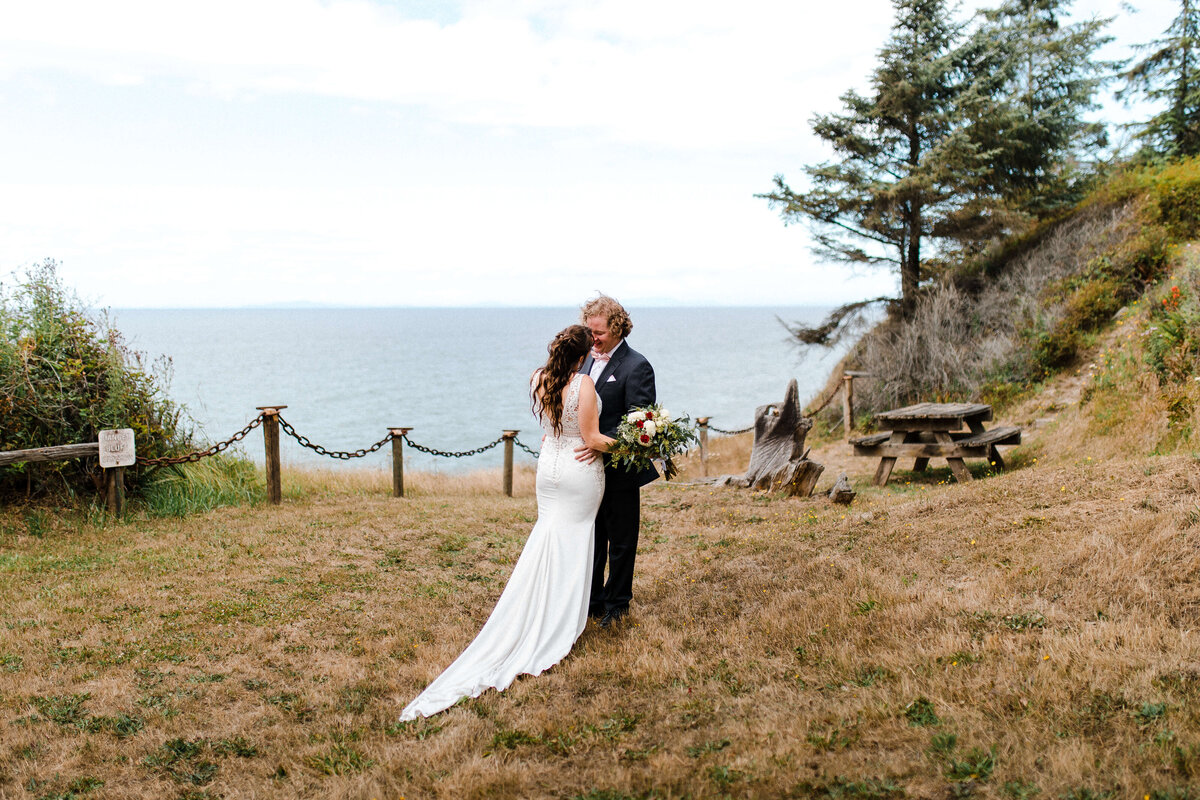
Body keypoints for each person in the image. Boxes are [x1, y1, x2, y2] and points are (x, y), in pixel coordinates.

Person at [398, 325, 613, 720]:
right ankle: (558, 617)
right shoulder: (582, 384)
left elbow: (552, 431)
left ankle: (541, 605)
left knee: (548, 537)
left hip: (547, 472)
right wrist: (636, 442)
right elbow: (592, 437)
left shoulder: (540, 378)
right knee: (572, 540)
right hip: (577, 473)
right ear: (582, 356)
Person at [575, 295, 657, 628]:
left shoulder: (637, 366)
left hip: (620, 470)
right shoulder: (583, 361)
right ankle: (591, 601)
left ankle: (617, 603)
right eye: (588, 332)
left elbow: (640, 426)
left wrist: (599, 443)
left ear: (618, 327)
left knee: (621, 540)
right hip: (584, 470)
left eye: (598, 333)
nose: (593, 339)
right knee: (591, 537)